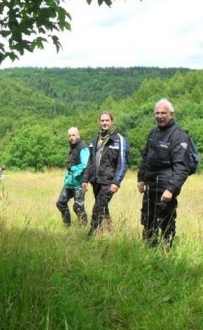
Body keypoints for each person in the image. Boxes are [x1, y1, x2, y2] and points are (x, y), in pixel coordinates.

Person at [137, 98, 191, 248]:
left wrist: (171, 189)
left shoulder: (178, 135)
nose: (160, 116)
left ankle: (166, 253)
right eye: (157, 113)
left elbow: (182, 167)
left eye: (163, 113)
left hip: (166, 188)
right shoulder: (153, 132)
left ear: (171, 114)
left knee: (166, 222)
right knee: (148, 220)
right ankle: (149, 250)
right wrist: (141, 178)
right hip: (150, 186)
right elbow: (145, 157)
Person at [82, 112, 129, 237]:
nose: (104, 123)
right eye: (102, 120)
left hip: (109, 181)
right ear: (99, 122)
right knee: (103, 206)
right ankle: (108, 229)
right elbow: (90, 161)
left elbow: (123, 163)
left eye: (107, 120)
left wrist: (116, 182)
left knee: (98, 206)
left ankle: (91, 234)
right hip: (96, 180)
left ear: (112, 121)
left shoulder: (120, 140)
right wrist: (85, 179)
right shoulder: (95, 139)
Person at [56, 127, 89, 227]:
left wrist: (73, 169)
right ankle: (67, 225)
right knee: (60, 203)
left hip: (79, 183)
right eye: (70, 135)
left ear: (78, 135)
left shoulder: (83, 148)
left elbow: (85, 165)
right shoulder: (73, 147)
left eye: (73, 135)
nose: (71, 137)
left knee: (78, 207)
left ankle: (83, 226)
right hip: (69, 183)